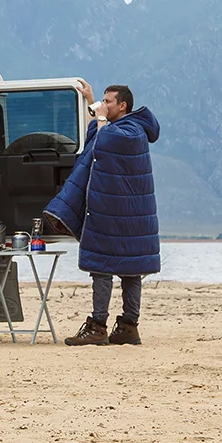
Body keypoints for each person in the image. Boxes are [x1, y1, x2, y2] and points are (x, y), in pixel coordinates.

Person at [44, 81, 160, 345]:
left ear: (123, 105)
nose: (104, 105)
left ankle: (101, 326)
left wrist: (99, 117)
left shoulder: (130, 130)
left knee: (107, 267)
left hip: (119, 212)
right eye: (104, 100)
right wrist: (90, 100)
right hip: (122, 211)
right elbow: (94, 139)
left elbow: (102, 141)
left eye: (109, 101)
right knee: (127, 268)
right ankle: (126, 328)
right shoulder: (121, 127)